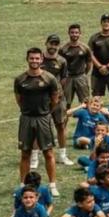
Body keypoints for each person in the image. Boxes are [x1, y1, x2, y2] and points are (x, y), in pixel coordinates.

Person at [15, 48, 61, 197]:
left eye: (37, 58)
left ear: (41, 60)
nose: (34, 61)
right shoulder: (20, 79)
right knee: (25, 153)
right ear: (27, 59)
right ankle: (23, 186)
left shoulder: (49, 78)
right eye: (32, 58)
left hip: (43, 118)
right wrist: (27, 111)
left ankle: (52, 185)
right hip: (26, 118)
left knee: (48, 153)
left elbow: (55, 99)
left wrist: (45, 112)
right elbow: (19, 99)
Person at [41, 34, 73, 167]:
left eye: (56, 44)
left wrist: (58, 93)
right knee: (39, 127)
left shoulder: (62, 61)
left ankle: (62, 155)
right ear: (46, 43)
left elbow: (64, 80)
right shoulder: (39, 58)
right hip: (41, 98)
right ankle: (35, 156)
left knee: (60, 125)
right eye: (51, 43)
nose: (53, 46)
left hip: (58, 98)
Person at [59, 23, 92, 108]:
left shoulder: (85, 48)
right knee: (66, 102)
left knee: (85, 102)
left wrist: (84, 74)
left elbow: (89, 62)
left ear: (80, 33)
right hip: (68, 78)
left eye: (76, 32)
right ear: (69, 33)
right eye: (72, 32)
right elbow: (60, 64)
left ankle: (85, 116)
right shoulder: (63, 49)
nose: (74, 34)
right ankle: (65, 116)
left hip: (81, 77)